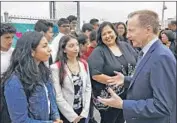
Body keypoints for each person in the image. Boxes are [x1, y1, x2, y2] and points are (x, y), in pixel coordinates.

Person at [98, 10, 176, 123]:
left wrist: (123, 104)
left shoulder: (161, 57)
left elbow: (162, 106)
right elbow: (148, 81)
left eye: (131, 30)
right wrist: (125, 80)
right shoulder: (145, 52)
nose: (128, 35)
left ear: (148, 30)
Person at [1, 31, 63, 123]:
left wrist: (56, 117)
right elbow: (20, 120)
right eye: (44, 46)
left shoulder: (43, 72)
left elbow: (51, 98)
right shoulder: (14, 82)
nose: (49, 49)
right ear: (32, 52)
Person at [88, 21, 137, 123]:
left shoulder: (125, 46)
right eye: (104, 34)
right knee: (109, 120)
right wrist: (118, 81)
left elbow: (136, 61)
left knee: (122, 119)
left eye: (109, 32)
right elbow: (96, 75)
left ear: (115, 32)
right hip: (109, 97)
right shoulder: (99, 51)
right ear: (100, 37)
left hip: (128, 93)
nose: (108, 36)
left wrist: (127, 81)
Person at [50, 35, 91, 123]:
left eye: (77, 45)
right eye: (71, 46)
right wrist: (72, 116)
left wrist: (85, 111)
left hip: (82, 112)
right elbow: (58, 96)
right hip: (65, 113)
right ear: (64, 49)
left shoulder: (83, 64)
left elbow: (88, 88)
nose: (76, 48)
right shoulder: (56, 68)